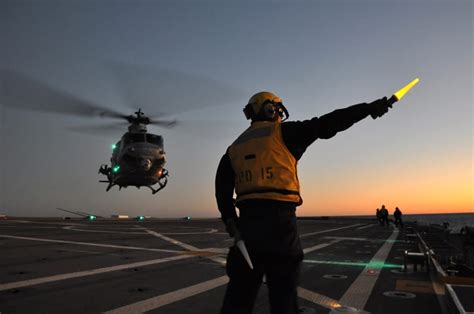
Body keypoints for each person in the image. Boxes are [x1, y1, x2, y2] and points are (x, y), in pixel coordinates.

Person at [215, 91, 392, 314]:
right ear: (270, 108)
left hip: (247, 228)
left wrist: (232, 224)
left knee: (238, 298)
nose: (279, 114)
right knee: (284, 298)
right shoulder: (285, 132)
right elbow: (329, 122)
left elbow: (222, 192)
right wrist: (368, 109)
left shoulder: (234, 148)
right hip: (281, 227)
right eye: (278, 109)